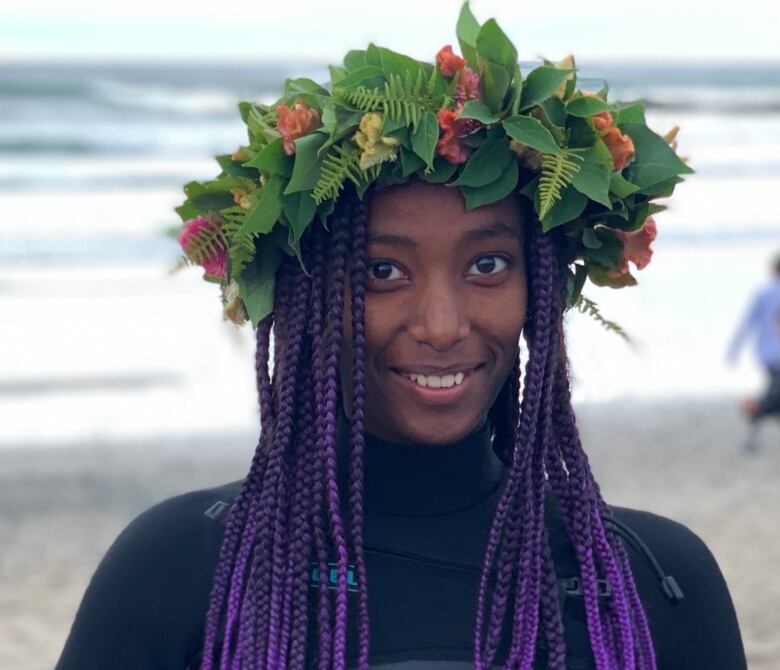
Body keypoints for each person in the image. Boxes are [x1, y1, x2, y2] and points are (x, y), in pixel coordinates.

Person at [55, 4, 746, 669]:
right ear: (305, 298)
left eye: (487, 264)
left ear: (538, 285)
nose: (442, 326)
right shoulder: (178, 572)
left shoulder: (653, 583)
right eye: (382, 270)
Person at [727, 253, 780, 451]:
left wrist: (734, 349)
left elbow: (747, 323)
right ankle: (751, 410)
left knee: (774, 395)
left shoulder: (763, 293)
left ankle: (752, 436)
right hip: (774, 354)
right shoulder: (764, 293)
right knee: (774, 397)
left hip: (767, 353)